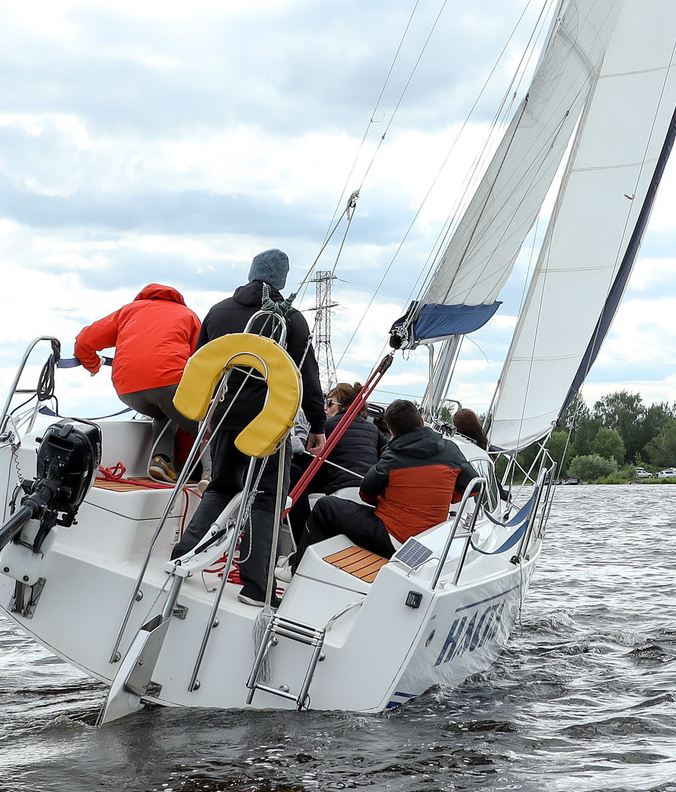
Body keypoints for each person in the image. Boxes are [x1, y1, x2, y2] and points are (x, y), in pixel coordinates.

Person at [172, 250, 327, 604]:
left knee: (221, 488)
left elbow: (202, 367)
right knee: (266, 501)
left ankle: (183, 553)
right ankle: (256, 587)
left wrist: (207, 417)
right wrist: (317, 423)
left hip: (226, 418)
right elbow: (306, 376)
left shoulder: (219, 311)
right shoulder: (293, 321)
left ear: (251, 273)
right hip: (269, 425)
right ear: (282, 280)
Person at [293, 398, 474, 566]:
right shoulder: (451, 451)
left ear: (392, 431)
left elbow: (365, 494)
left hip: (393, 539)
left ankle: (297, 566)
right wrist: (444, 497)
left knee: (325, 506)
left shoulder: (393, 456)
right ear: (420, 420)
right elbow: (475, 486)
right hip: (428, 541)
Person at [73, 284, 202, 481]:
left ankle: (161, 460)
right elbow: (200, 361)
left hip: (127, 389)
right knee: (203, 425)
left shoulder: (128, 311)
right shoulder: (188, 315)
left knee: (164, 413)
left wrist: (93, 366)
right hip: (169, 382)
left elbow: (84, 341)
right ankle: (212, 477)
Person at [299, 382, 384, 499]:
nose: (324, 407)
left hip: (340, 491)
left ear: (346, 405)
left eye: (329, 403)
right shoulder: (374, 429)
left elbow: (307, 458)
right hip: (370, 494)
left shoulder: (325, 427)